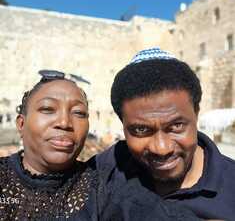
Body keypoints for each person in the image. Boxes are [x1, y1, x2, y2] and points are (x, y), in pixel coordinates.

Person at [0, 69, 201, 221]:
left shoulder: (104, 185)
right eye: (47, 109)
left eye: (79, 113)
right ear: (21, 123)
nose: (64, 122)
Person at [96, 47, 235, 220]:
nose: (161, 148)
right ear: (122, 124)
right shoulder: (105, 171)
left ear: (196, 113)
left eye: (176, 126)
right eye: (141, 130)